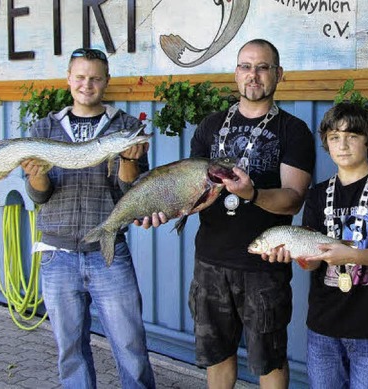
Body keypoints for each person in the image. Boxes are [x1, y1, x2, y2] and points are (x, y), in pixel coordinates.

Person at [138, 39, 315, 388]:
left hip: (264, 264)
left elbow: (293, 199)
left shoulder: (293, 131)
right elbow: (193, 192)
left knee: (269, 361)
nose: (254, 75)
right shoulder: (210, 126)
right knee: (217, 357)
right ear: (236, 73)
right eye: (246, 67)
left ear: (278, 74)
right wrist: (163, 210)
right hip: (211, 261)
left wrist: (252, 194)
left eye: (263, 67)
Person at [20, 48, 155, 388]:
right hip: (56, 254)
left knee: (130, 346)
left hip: (108, 253)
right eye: (80, 77)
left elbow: (132, 194)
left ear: (106, 81)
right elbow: (39, 196)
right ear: (69, 79)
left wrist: (128, 160)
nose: (87, 84)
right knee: (70, 351)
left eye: (95, 78)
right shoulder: (44, 128)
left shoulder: (126, 127)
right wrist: (36, 174)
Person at [265, 102, 368, 388]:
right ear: (327, 143)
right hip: (323, 327)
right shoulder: (318, 195)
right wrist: (292, 254)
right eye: (335, 137)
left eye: (352, 136)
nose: (343, 145)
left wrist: (352, 254)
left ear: (367, 140)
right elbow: (311, 262)